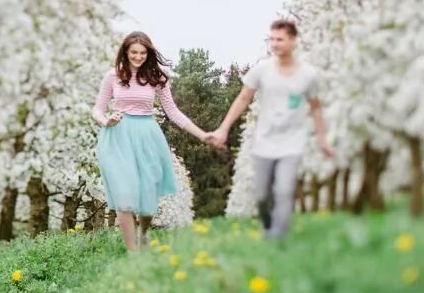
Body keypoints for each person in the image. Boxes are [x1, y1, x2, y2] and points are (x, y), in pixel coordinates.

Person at [207, 19, 334, 239]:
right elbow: (243, 99)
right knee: (263, 196)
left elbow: (315, 108)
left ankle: (276, 239)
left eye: (280, 39)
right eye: (272, 39)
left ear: (293, 41)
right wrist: (223, 128)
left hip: (292, 142)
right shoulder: (262, 70)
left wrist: (323, 139)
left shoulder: (308, 75)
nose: (274, 44)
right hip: (264, 141)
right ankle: (269, 227)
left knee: (284, 191)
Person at [93, 31, 214, 251]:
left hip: (147, 134)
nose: (138, 57)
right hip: (118, 136)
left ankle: (143, 232)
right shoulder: (113, 76)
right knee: (124, 195)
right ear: (125, 52)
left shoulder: (158, 77)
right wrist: (106, 121)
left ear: (148, 54)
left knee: (148, 199)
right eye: (134, 52)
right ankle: (133, 253)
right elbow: (98, 109)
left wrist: (202, 134)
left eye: (142, 53)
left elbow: (173, 112)